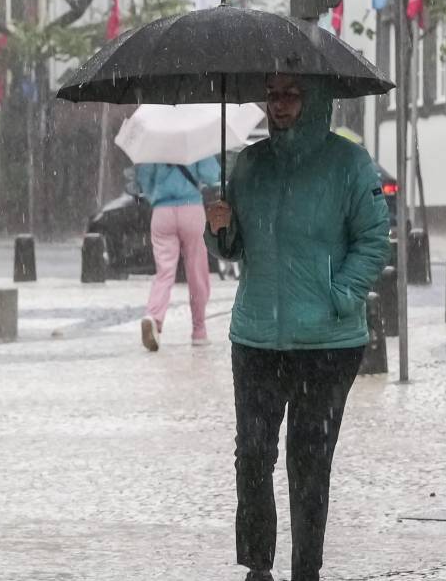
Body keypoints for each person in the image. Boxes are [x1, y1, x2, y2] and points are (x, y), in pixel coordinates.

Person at [205, 74, 389, 581]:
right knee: (254, 454)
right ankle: (258, 567)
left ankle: (306, 569)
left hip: (327, 343)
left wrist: (342, 293)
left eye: (290, 94)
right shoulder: (250, 164)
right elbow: (234, 248)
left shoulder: (347, 164)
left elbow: (374, 238)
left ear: (313, 100)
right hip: (257, 337)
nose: (278, 104)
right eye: (272, 93)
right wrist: (219, 229)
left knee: (309, 462)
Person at [134, 155, 220, 351]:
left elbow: (144, 179)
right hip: (191, 209)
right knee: (197, 272)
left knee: (164, 272)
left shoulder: (156, 143)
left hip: (162, 212)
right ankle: (199, 331)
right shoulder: (194, 141)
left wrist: (156, 193)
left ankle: (154, 317)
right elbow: (212, 175)